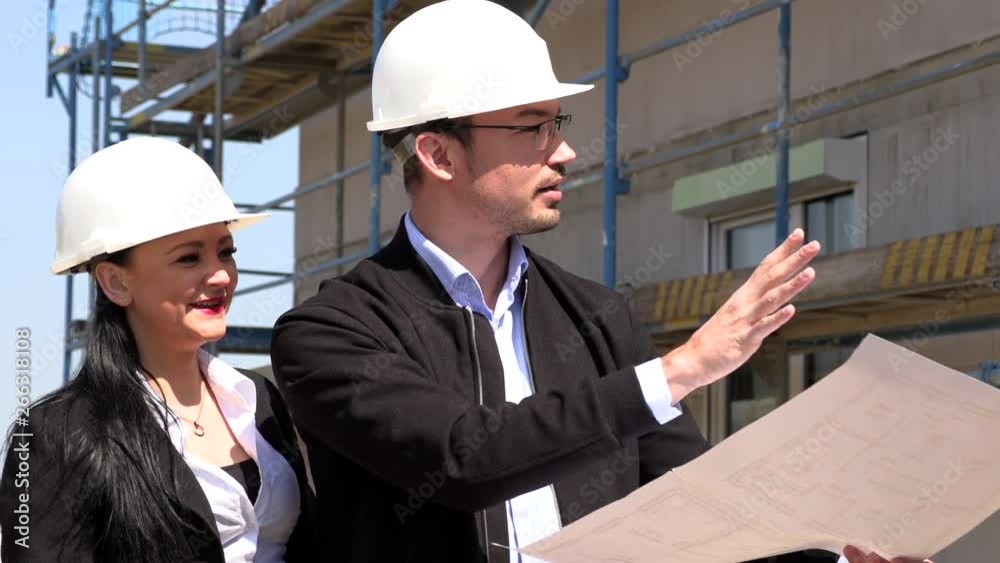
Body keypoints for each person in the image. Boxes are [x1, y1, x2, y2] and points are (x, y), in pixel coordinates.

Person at [269, 2, 931, 563]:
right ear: (438, 153)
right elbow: (466, 458)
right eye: (531, 128)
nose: (564, 152)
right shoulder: (330, 333)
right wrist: (681, 370)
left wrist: (836, 561)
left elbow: (695, 508)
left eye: (558, 124)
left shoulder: (597, 316)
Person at [0, 137, 315, 562]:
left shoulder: (257, 399)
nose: (221, 275)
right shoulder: (58, 433)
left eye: (226, 252)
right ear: (116, 282)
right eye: (189, 258)